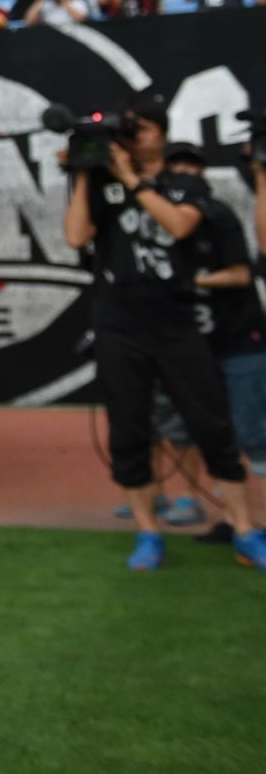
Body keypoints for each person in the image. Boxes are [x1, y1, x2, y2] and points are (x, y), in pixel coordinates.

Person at [62, 95, 266, 570]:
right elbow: (75, 237)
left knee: (212, 426)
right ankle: (148, 533)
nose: (133, 138)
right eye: (127, 131)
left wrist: (132, 179)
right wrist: (85, 172)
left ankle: (243, 529)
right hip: (118, 325)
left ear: (161, 133)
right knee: (129, 432)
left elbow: (177, 227)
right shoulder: (101, 183)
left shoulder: (182, 182)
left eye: (142, 130)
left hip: (177, 322)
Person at [167, 144, 266, 538]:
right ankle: (234, 517)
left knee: (255, 437)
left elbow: (241, 275)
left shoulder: (219, 216)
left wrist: (192, 282)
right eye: (178, 171)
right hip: (199, 346)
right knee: (213, 436)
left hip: (242, 341)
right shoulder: (159, 222)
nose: (186, 178)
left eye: (193, 170)